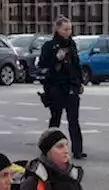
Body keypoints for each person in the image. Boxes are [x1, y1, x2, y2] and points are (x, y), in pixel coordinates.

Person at [37, 16, 86, 159]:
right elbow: (42, 65)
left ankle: (77, 150)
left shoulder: (72, 45)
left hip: (71, 87)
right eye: (65, 29)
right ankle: (49, 147)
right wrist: (55, 59)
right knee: (55, 119)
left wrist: (80, 82)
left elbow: (76, 65)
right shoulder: (49, 46)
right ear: (58, 29)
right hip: (56, 87)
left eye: (70, 29)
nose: (68, 32)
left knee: (74, 120)